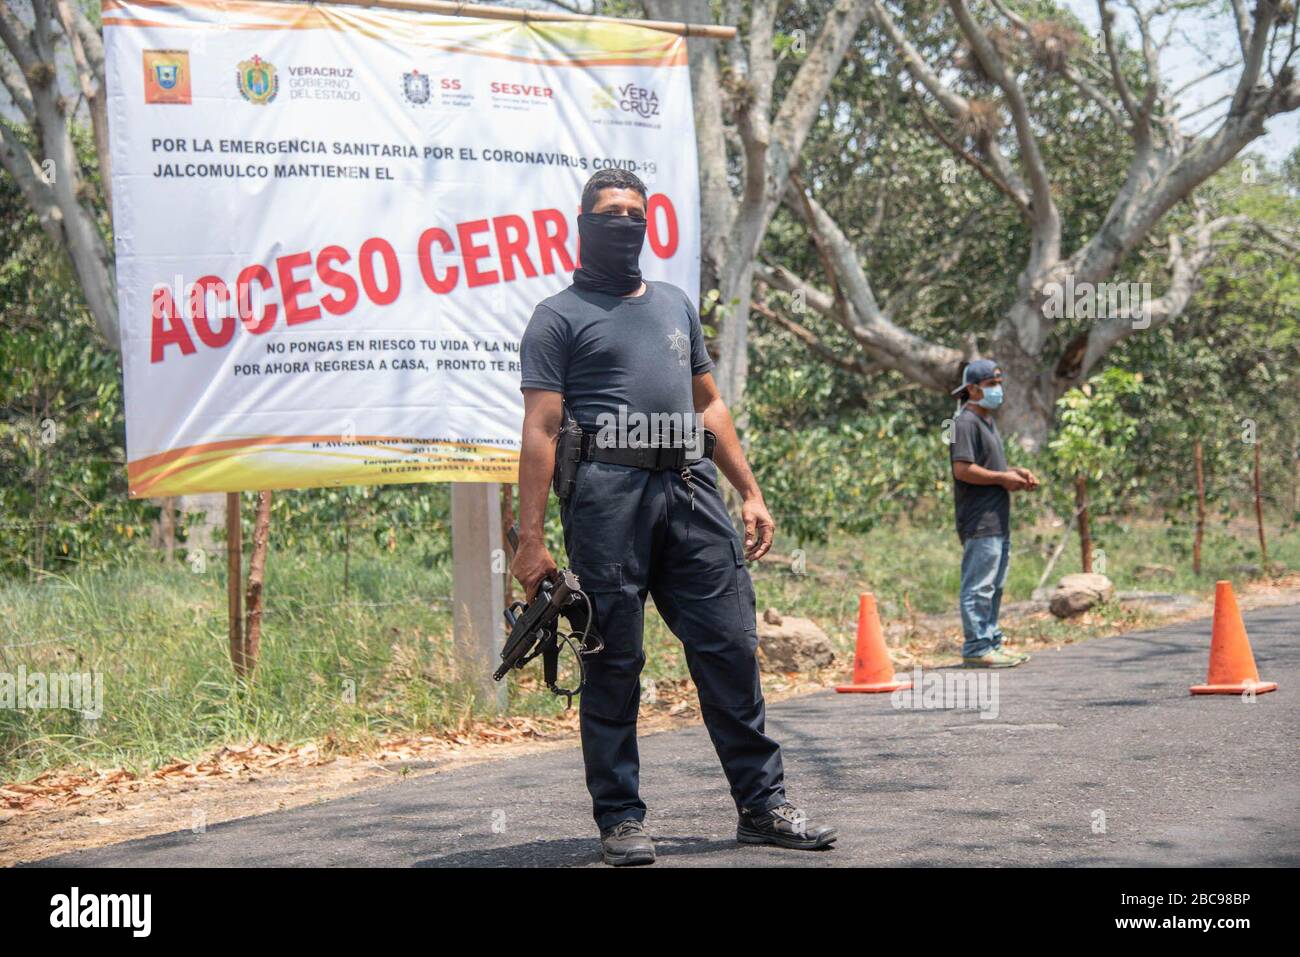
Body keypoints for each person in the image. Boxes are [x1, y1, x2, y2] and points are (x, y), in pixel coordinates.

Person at [513, 168, 836, 866]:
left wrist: (749, 489)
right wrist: (530, 540)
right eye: (610, 214)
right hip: (606, 496)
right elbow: (541, 428)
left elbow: (709, 405)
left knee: (728, 648)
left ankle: (763, 805)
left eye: (636, 213)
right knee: (613, 660)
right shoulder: (557, 316)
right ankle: (621, 817)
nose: (624, 224)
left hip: (691, 488)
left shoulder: (673, 304)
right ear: (583, 224)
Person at [949, 359, 1041, 668]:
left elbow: (986, 467)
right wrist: (1002, 478)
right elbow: (962, 469)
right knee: (979, 585)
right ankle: (976, 647)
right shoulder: (964, 423)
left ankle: (991, 642)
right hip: (979, 520)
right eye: (991, 385)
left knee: (995, 585)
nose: (997, 390)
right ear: (973, 390)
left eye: (999, 384)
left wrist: (1013, 472)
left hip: (998, 518)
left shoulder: (987, 422)